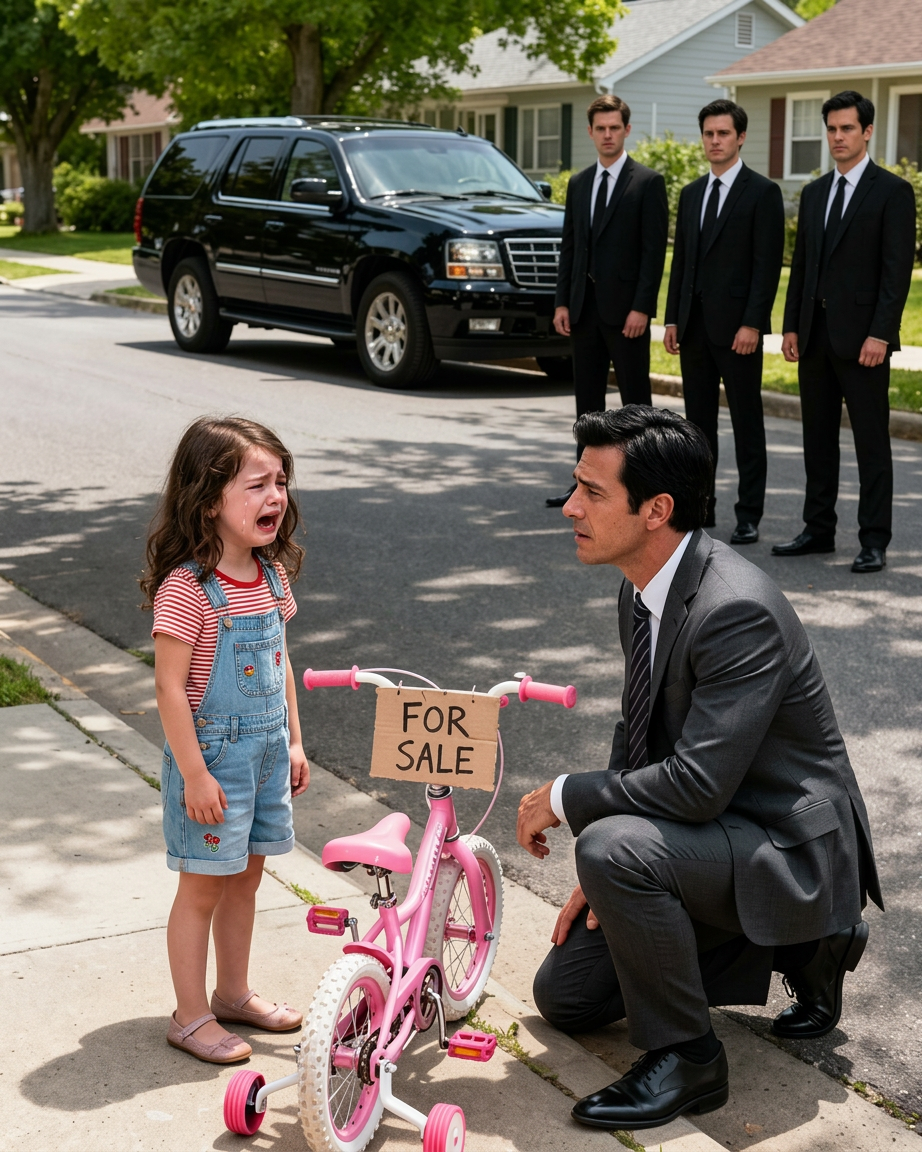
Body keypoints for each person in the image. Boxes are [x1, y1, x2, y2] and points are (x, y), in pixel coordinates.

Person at [517, 405, 881, 1132]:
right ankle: (801, 944)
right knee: (568, 998)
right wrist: (606, 885)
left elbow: (694, 785)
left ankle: (690, 1058)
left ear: (656, 510)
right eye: (573, 487)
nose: (570, 507)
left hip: (784, 842)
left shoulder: (734, 608)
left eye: (591, 492)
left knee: (612, 847)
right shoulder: (642, 587)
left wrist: (569, 802)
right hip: (713, 832)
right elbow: (641, 731)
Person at [141, 416, 311, 1063]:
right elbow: (168, 690)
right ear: (210, 499)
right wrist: (194, 774)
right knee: (203, 885)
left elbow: (280, 662)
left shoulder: (269, 576)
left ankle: (233, 993)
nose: (276, 497)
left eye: (281, 482)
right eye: (257, 484)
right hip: (212, 761)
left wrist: (295, 741)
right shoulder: (188, 590)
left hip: (267, 755)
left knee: (247, 877)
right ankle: (188, 1016)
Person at [774, 90, 916, 573]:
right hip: (814, 336)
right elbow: (803, 268)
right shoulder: (814, 193)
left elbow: (896, 273)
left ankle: (874, 539)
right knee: (817, 439)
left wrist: (881, 333)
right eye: (831, 129)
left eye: (847, 128)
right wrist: (791, 325)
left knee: (871, 442)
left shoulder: (892, 191)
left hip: (864, 342)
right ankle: (818, 529)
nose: (837, 137)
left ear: (867, 131)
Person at [664, 99, 784, 542]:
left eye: (723, 134)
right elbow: (682, 263)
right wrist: (673, 318)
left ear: (740, 138)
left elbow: (766, 265)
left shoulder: (762, 192)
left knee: (747, 422)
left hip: (738, 331)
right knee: (697, 428)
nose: (715, 141)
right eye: (709, 134)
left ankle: (749, 513)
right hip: (693, 327)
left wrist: (753, 323)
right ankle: (702, 507)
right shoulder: (692, 193)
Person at [546, 94, 669, 507]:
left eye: (615, 127)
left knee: (635, 404)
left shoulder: (647, 182)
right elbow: (570, 247)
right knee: (588, 405)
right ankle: (585, 485)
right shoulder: (579, 184)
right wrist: (563, 301)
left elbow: (654, 253)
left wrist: (642, 307)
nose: (608, 135)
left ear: (627, 130)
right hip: (583, 309)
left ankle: (644, 485)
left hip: (626, 313)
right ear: (590, 132)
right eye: (600, 128)